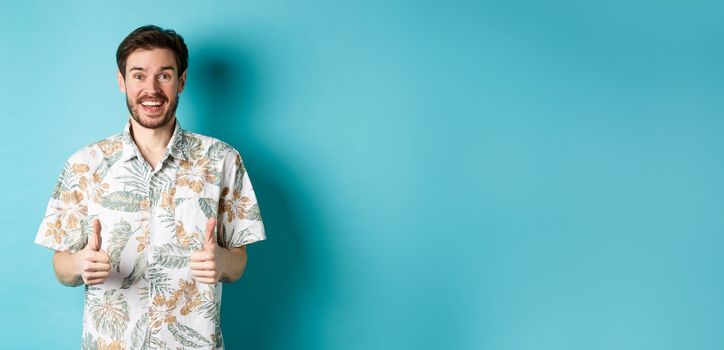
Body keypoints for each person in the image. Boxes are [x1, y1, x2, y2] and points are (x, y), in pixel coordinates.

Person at [34, 25, 265, 349]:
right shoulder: (83, 164)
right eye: (139, 75)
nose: (151, 89)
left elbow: (238, 261)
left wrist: (222, 262)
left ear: (181, 81)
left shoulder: (222, 160)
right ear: (122, 81)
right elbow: (61, 267)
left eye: (164, 75)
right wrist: (78, 263)